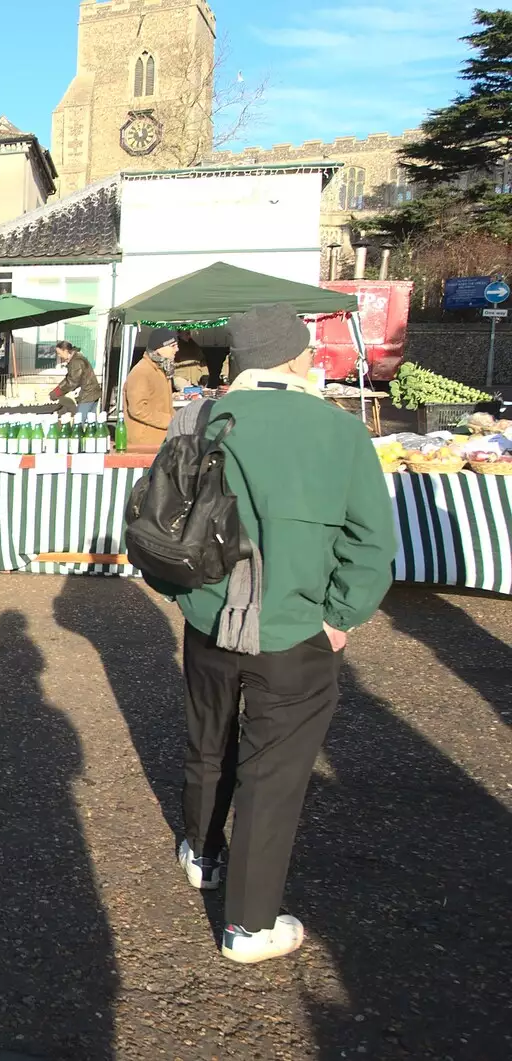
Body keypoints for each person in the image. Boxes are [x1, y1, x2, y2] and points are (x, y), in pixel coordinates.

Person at [152, 303, 394, 965]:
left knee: (208, 740)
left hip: (208, 620)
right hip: (295, 629)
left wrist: (188, 598)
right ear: (294, 356)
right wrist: (339, 617)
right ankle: (247, 926)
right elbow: (373, 544)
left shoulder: (194, 419)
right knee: (273, 773)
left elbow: (154, 527)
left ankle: (202, 852)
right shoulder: (338, 432)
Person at [125, 329, 181, 450]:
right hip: (145, 445)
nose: (177, 349)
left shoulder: (161, 370)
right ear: (159, 348)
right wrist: (169, 420)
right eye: (173, 346)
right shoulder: (142, 372)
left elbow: (164, 406)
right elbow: (138, 409)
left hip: (159, 440)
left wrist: (178, 419)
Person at [48, 341, 102, 420]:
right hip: (92, 393)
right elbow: (69, 378)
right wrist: (57, 390)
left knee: (79, 422)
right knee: (91, 421)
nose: (59, 356)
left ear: (66, 351)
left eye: (59, 353)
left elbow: (71, 382)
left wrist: (56, 393)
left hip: (87, 395)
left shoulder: (76, 362)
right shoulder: (76, 358)